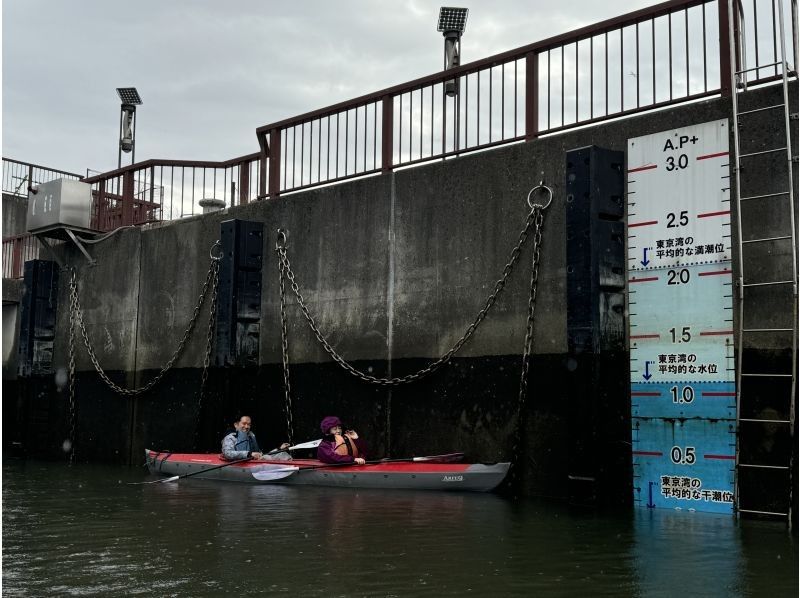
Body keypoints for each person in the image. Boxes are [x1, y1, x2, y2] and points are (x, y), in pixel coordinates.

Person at [221, 415, 292, 461]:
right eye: (244, 423)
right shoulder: (230, 437)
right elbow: (227, 453)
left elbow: (260, 454)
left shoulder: (251, 436)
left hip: (252, 463)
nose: (247, 427)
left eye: (249, 424)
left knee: (282, 454)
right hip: (239, 465)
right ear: (236, 425)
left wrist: (279, 449)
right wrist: (249, 454)